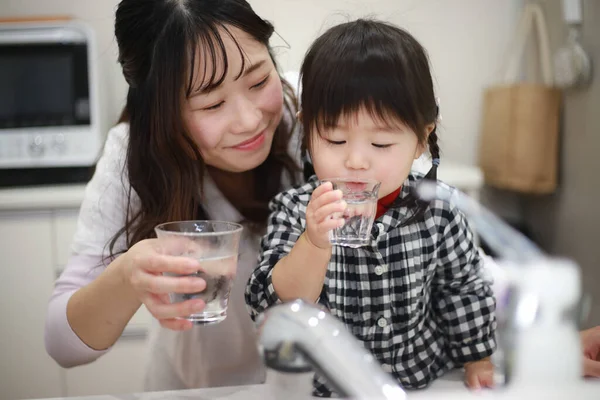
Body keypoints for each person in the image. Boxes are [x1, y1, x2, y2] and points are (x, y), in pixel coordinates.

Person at [44, 0, 306, 391]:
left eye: (258, 81)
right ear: (160, 112)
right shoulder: (132, 155)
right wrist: (128, 276)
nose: (250, 119)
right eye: (213, 103)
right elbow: (63, 343)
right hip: (198, 388)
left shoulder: (313, 111)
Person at [245, 19, 497, 397]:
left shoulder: (438, 211)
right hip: (324, 387)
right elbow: (277, 304)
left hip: (419, 381)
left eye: (380, 144)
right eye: (335, 138)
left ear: (420, 140)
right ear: (308, 131)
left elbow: (463, 287)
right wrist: (313, 242)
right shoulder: (295, 210)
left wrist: (478, 356)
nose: (356, 161)